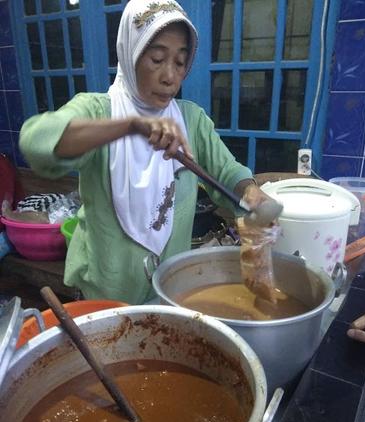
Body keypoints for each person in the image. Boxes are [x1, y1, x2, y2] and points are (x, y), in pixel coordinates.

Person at [19, 0, 277, 305]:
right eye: (157, 58)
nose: (170, 76)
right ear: (130, 54)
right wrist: (129, 126)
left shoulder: (190, 120)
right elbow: (36, 143)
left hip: (170, 289)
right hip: (106, 295)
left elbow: (226, 173)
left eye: (180, 63)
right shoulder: (99, 111)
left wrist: (254, 197)